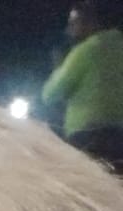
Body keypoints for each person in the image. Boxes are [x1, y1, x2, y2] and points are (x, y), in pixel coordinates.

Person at [43, 0, 123, 168]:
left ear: (89, 21)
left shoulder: (87, 50)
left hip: (87, 136)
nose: (69, 29)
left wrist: (58, 67)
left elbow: (50, 94)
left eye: (73, 22)